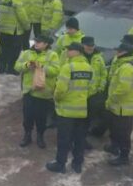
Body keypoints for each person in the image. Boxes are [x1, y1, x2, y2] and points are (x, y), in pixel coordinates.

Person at [46, 42, 92, 174]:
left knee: (64, 139)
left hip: (66, 111)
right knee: (79, 138)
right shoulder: (88, 67)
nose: (67, 52)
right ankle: (77, 163)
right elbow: (91, 87)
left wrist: (56, 99)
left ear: (77, 52)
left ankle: (60, 164)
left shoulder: (68, 67)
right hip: (81, 110)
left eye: (70, 50)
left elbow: (60, 89)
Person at [105, 35, 133, 166]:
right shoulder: (123, 62)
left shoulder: (127, 67)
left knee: (123, 132)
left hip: (123, 105)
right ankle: (114, 146)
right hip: (119, 105)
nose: (116, 52)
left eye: (119, 50)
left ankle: (123, 156)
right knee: (115, 128)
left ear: (125, 52)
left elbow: (123, 89)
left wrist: (111, 99)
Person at [15, 34, 59, 148]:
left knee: (41, 117)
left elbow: (55, 71)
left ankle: (40, 136)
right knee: (28, 115)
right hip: (29, 91)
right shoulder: (27, 53)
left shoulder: (52, 55)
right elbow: (17, 66)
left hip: (43, 92)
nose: (36, 44)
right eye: (35, 41)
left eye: (39, 42)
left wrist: (41, 66)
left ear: (46, 44)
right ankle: (27, 135)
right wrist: (27, 65)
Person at [0, 0, 29, 75]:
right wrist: (27, 26)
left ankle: (2, 68)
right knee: (15, 51)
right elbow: (22, 16)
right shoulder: (16, 0)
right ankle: (11, 68)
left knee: (4, 50)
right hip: (15, 30)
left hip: (4, 29)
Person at [82, 36, 108, 148]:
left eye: (92, 46)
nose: (90, 48)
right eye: (88, 46)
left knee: (88, 118)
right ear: (82, 45)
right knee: (79, 119)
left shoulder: (98, 57)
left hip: (93, 95)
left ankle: (83, 138)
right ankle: (79, 139)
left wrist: (100, 88)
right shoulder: (77, 57)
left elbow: (103, 74)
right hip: (79, 94)